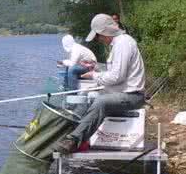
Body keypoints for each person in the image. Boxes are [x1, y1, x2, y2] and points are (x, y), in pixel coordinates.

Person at [55, 13, 146, 154]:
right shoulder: (119, 44)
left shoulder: (123, 43)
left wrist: (94, 75)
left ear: (104, 33)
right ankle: (72, 133)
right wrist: (96, 67)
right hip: (122, 93)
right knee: (88, 96)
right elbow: (116, 71)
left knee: (101, 101)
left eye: (97, 36)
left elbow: (117, 77)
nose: (98, 39)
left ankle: (73, 140)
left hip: (132, 96)